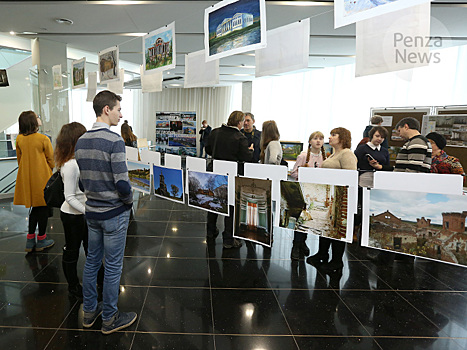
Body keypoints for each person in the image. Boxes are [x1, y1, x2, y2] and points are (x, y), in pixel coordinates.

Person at [75, 90, 136, 334]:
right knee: (112, 267)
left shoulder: (81, 141)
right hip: (113, 214)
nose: (121, 115)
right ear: (106, 110)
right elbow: (122, 183)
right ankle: (110, 318)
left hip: (92, 213)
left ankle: (89, 313)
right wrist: (129, 201)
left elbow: (82, 183)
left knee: (91, 263)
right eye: (118, 109)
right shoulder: (114, 141)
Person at [55, 122, 104, 300]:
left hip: (82, 213)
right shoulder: (70, 165)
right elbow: (69, 197)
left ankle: (102, 280)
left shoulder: (78, 161)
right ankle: (73, 287)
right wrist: (88, 211)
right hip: (72, 216)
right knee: (72, 251)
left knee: (92, 249)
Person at [306, 127, 357, 272]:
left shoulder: (347, 154)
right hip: (329, 196)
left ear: (342, 138)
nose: (330, 138)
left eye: (333, 135)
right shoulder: (334, 154)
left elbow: (350, 178)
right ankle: (322, 254)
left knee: (337, 230)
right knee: (326, 227)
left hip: (340, 198)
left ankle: (336, 261)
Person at [205, 111, 253, 248]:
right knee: (231, 207)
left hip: (214, 171)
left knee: (212, 202)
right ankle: (228, 240)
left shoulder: (215, 132)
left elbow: (208, 149)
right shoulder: (240, 137)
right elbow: (246, 157)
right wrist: (250, 149)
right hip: (231, 175)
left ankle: (210, 231)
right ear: (239, 123)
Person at [14, 111, 55, 252]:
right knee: (42, 208)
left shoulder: (19, 139)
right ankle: (42, 239)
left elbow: (20, 161)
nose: (39, 118)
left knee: (34, 209)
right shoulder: (43, 139)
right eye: (37, 117)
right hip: (42, 178)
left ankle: (30, 240)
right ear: (33, 122)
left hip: (27, 179)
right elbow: (51, 161)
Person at [289, 131, 327, 260]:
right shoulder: (303, 156)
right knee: (301, 218)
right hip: (304, 191)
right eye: (315, 138)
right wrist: (305, 175)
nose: (318, 141)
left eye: (321, 138)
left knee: (310, 219)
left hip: (317, 193)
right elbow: (293, 173)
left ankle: (303, 242)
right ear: (310, 141)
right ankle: (295, 246)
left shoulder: (326, 157)